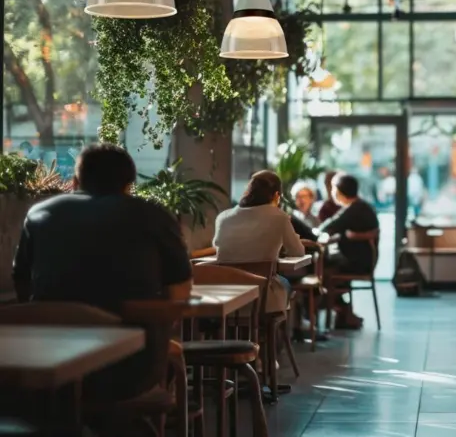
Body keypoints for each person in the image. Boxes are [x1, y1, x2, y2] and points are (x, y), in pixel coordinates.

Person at [12, 143, 193, 401]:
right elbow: (178, 295)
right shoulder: (153, 216)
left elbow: (22, 285)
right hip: (129, 367)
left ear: (75, 181)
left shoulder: (39, 213)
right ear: (129, 184)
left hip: (47, 362)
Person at [213, 170, 304, 313]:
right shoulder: (279, 217)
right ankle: (282, 334)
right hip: (262, 294)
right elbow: (298, 251)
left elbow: (219, 247)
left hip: (226, 294)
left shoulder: (223, 217)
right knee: (287, 283)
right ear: (276, 195)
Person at [317, 173, 379, 328]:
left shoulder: (353, 209)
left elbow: (327, 227)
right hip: (364, 260)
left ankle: (335, 310)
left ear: (338, 191)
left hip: (357, 262)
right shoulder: (362, 206)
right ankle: (343, 311)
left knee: (323, 269)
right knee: (327, 266)